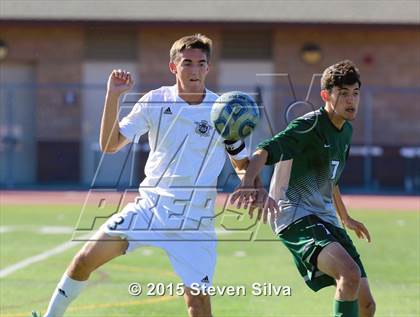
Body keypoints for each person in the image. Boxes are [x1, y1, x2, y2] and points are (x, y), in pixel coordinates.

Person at [32, 34, 252, 317]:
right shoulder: (155, 101)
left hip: (195, 221)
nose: (194, 70)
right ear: (174, 67)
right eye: (187, 63)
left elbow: (242, 163)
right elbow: (109, 145)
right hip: (150, 209)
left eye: (201, 63)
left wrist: (248, 183)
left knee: (198, 306)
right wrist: (113, 95)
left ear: (208, 68)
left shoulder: (222, 111)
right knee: (84, 260)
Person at [231, 60, 376, 317]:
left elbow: (330, 179)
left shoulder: (346, 131)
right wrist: (246, 183)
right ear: (325, 95)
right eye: (343, 94)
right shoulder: (308, 126)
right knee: (349, 274)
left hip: (325, 216)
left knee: (367, 306)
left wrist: (346, 218)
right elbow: (263, 151)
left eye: (355, 93)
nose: (351, 100)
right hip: (294, 214)